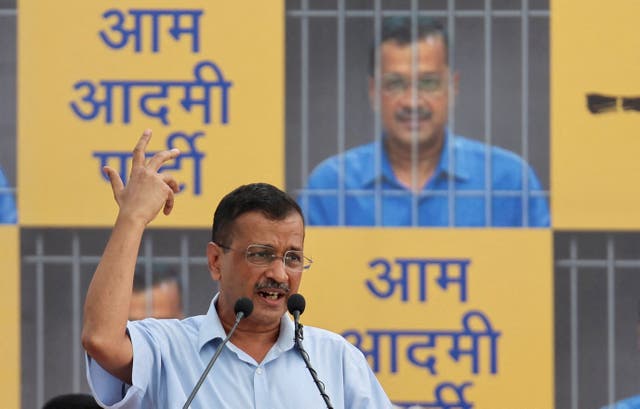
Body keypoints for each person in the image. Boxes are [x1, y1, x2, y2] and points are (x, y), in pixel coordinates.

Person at [81, 129, 392, 408]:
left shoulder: (335, 359)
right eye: (261, 254)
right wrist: (132, 218)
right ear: (216, 261)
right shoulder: (166, 348)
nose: (280, 275)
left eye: (293, 258)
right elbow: (101, 340)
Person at [298, 16, 550, 227]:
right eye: (395, 84)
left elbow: (541, 281)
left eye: (428, 83)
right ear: (374, 91)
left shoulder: (509, 182)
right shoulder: (330, 186)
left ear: (453, 87)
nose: (412, 102)